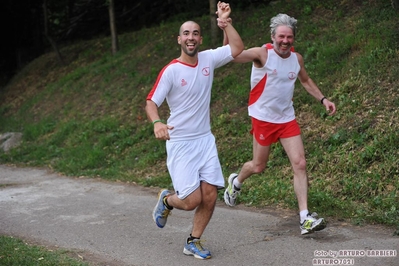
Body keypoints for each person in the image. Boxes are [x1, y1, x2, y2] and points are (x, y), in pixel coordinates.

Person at [219, 13, 336, 235]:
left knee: (300, 163)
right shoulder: (262, 54)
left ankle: (304, 218)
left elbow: (305, 80)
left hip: (286, 119)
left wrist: (323, 99)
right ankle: (236, 180)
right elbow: (231, 55)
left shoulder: (296, 59)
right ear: (273, 36)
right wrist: (226, 27)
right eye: (281, 36)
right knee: (258, 166)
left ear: (293, 39)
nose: (285, 41)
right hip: (263, 119)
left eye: (289, 37)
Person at [145, 2, 244, 260]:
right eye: (186, 33)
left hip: (205, 140)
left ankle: (193, 241)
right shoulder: (171, 71)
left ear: (200, 38)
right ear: (179, 39)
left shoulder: (208, 59)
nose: (191, 37)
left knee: (210, 195)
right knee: (190, 201)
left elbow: (236, 48)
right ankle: (167, 200)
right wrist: (157, 123)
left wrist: (226, 23)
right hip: (181, 143)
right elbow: (151, 102)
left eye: (196, 33)